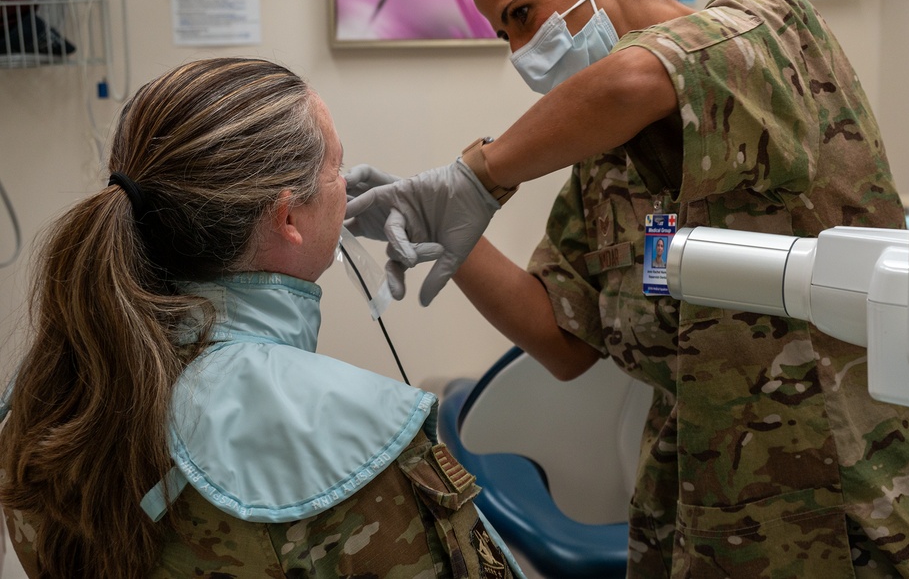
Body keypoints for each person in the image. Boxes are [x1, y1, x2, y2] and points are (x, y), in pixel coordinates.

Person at [345, 0, 909, 579]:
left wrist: (475, 178)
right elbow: (565, 342)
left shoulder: (768, 30)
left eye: (523, 14)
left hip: (843, 510)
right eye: (503, 32)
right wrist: (447, 232)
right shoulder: (603, 160)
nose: (519, 51)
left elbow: (641, 77)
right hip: (698, 520)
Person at [0, 58, 522, 579]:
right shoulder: (353, 437)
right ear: (288, 217)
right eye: (337, 169)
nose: (346, 186)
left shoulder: (45, 392)